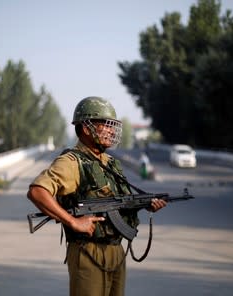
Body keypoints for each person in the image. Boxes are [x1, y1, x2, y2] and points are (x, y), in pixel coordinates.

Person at [27, 96, 166, 296]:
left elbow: (118, 203)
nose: (112, 131)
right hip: (88, 251)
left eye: (113, 126)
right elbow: (37, 191)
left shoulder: (109, 162)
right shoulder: (71, 162)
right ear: (86, 128)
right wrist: (73, 222)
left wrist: (145, 204)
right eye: (106, 125)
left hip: (116, 251)